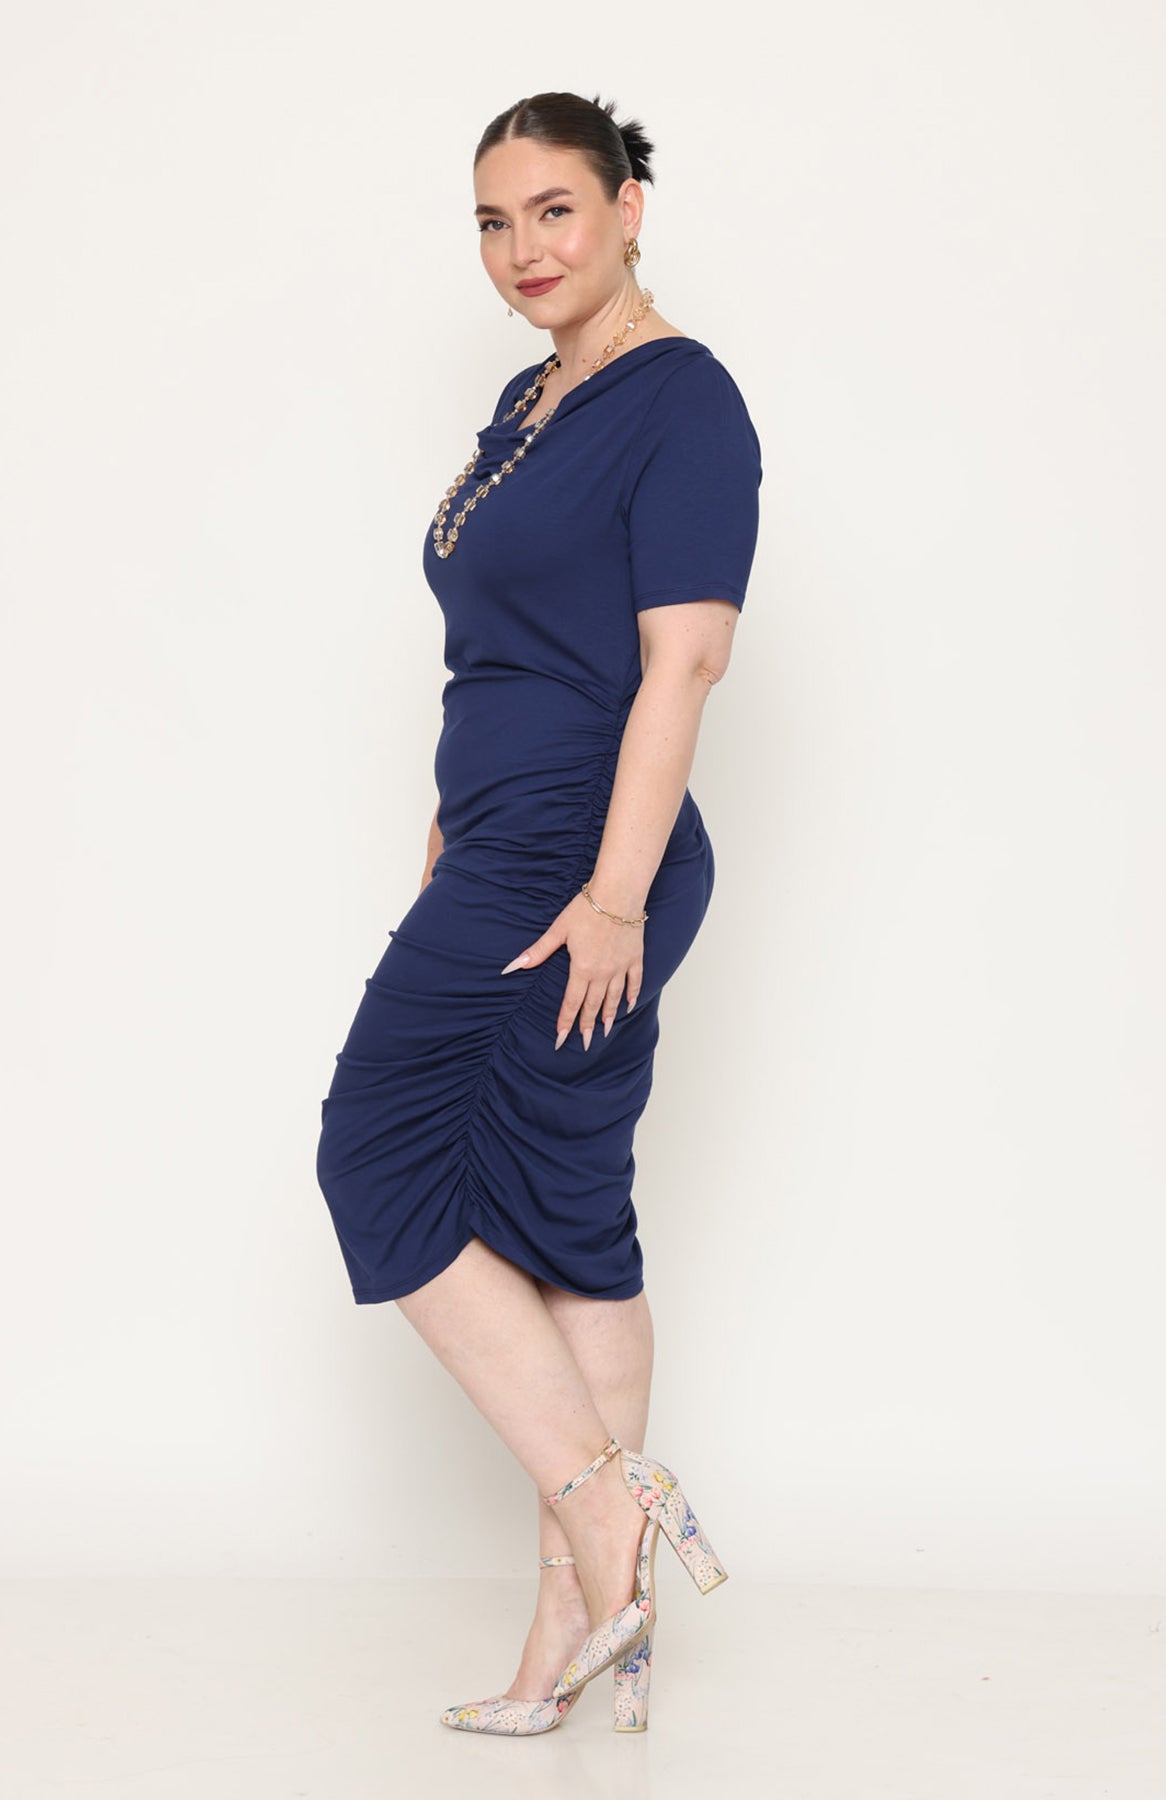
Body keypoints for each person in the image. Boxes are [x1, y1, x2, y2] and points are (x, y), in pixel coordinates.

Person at [315, 90, 762, 1736]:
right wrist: (455, 803)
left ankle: (607, 1520)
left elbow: (683, 661)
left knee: (373, 1151)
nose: (524, 250)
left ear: (630, 207)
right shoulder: (529, 398)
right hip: (504, 838)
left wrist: (614, 899)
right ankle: (573, 1643)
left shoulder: (684, 399)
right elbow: (513, 638)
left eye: (556, 210)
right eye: (495, 223)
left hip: (583, 857)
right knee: (565, 1210)